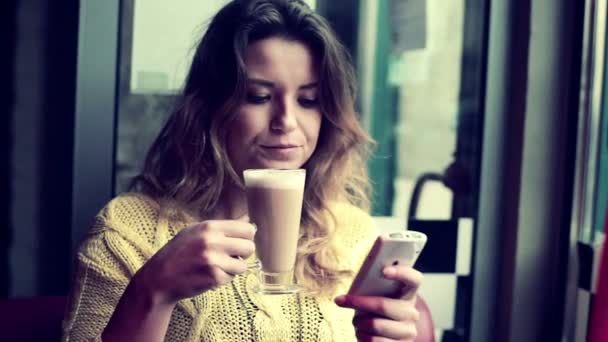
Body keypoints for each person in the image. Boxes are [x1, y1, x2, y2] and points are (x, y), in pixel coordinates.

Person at [61, 0, 424, 341]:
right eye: (259, 97)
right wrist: (151, 292)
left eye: (308, 100)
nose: (286, 121)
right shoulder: (126, 231)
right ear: (210, 106)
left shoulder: (351, 233)